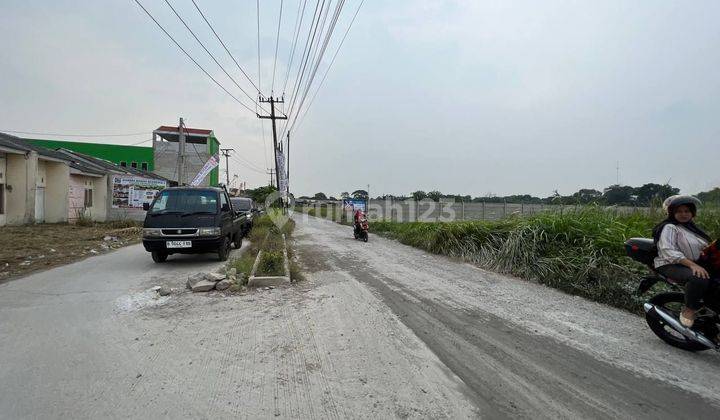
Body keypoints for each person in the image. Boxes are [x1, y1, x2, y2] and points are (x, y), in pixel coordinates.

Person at [653, 195, 713, 327]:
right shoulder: (670, 227)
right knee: (699, 277)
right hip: (670, 264)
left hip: (692, 264)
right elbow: (668, 251)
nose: (684, 214)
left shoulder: (694, 229)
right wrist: (692, 265)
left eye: (687, 211)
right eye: (679, 211)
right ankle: (689, 309)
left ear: (692, 213)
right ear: (671, 213)